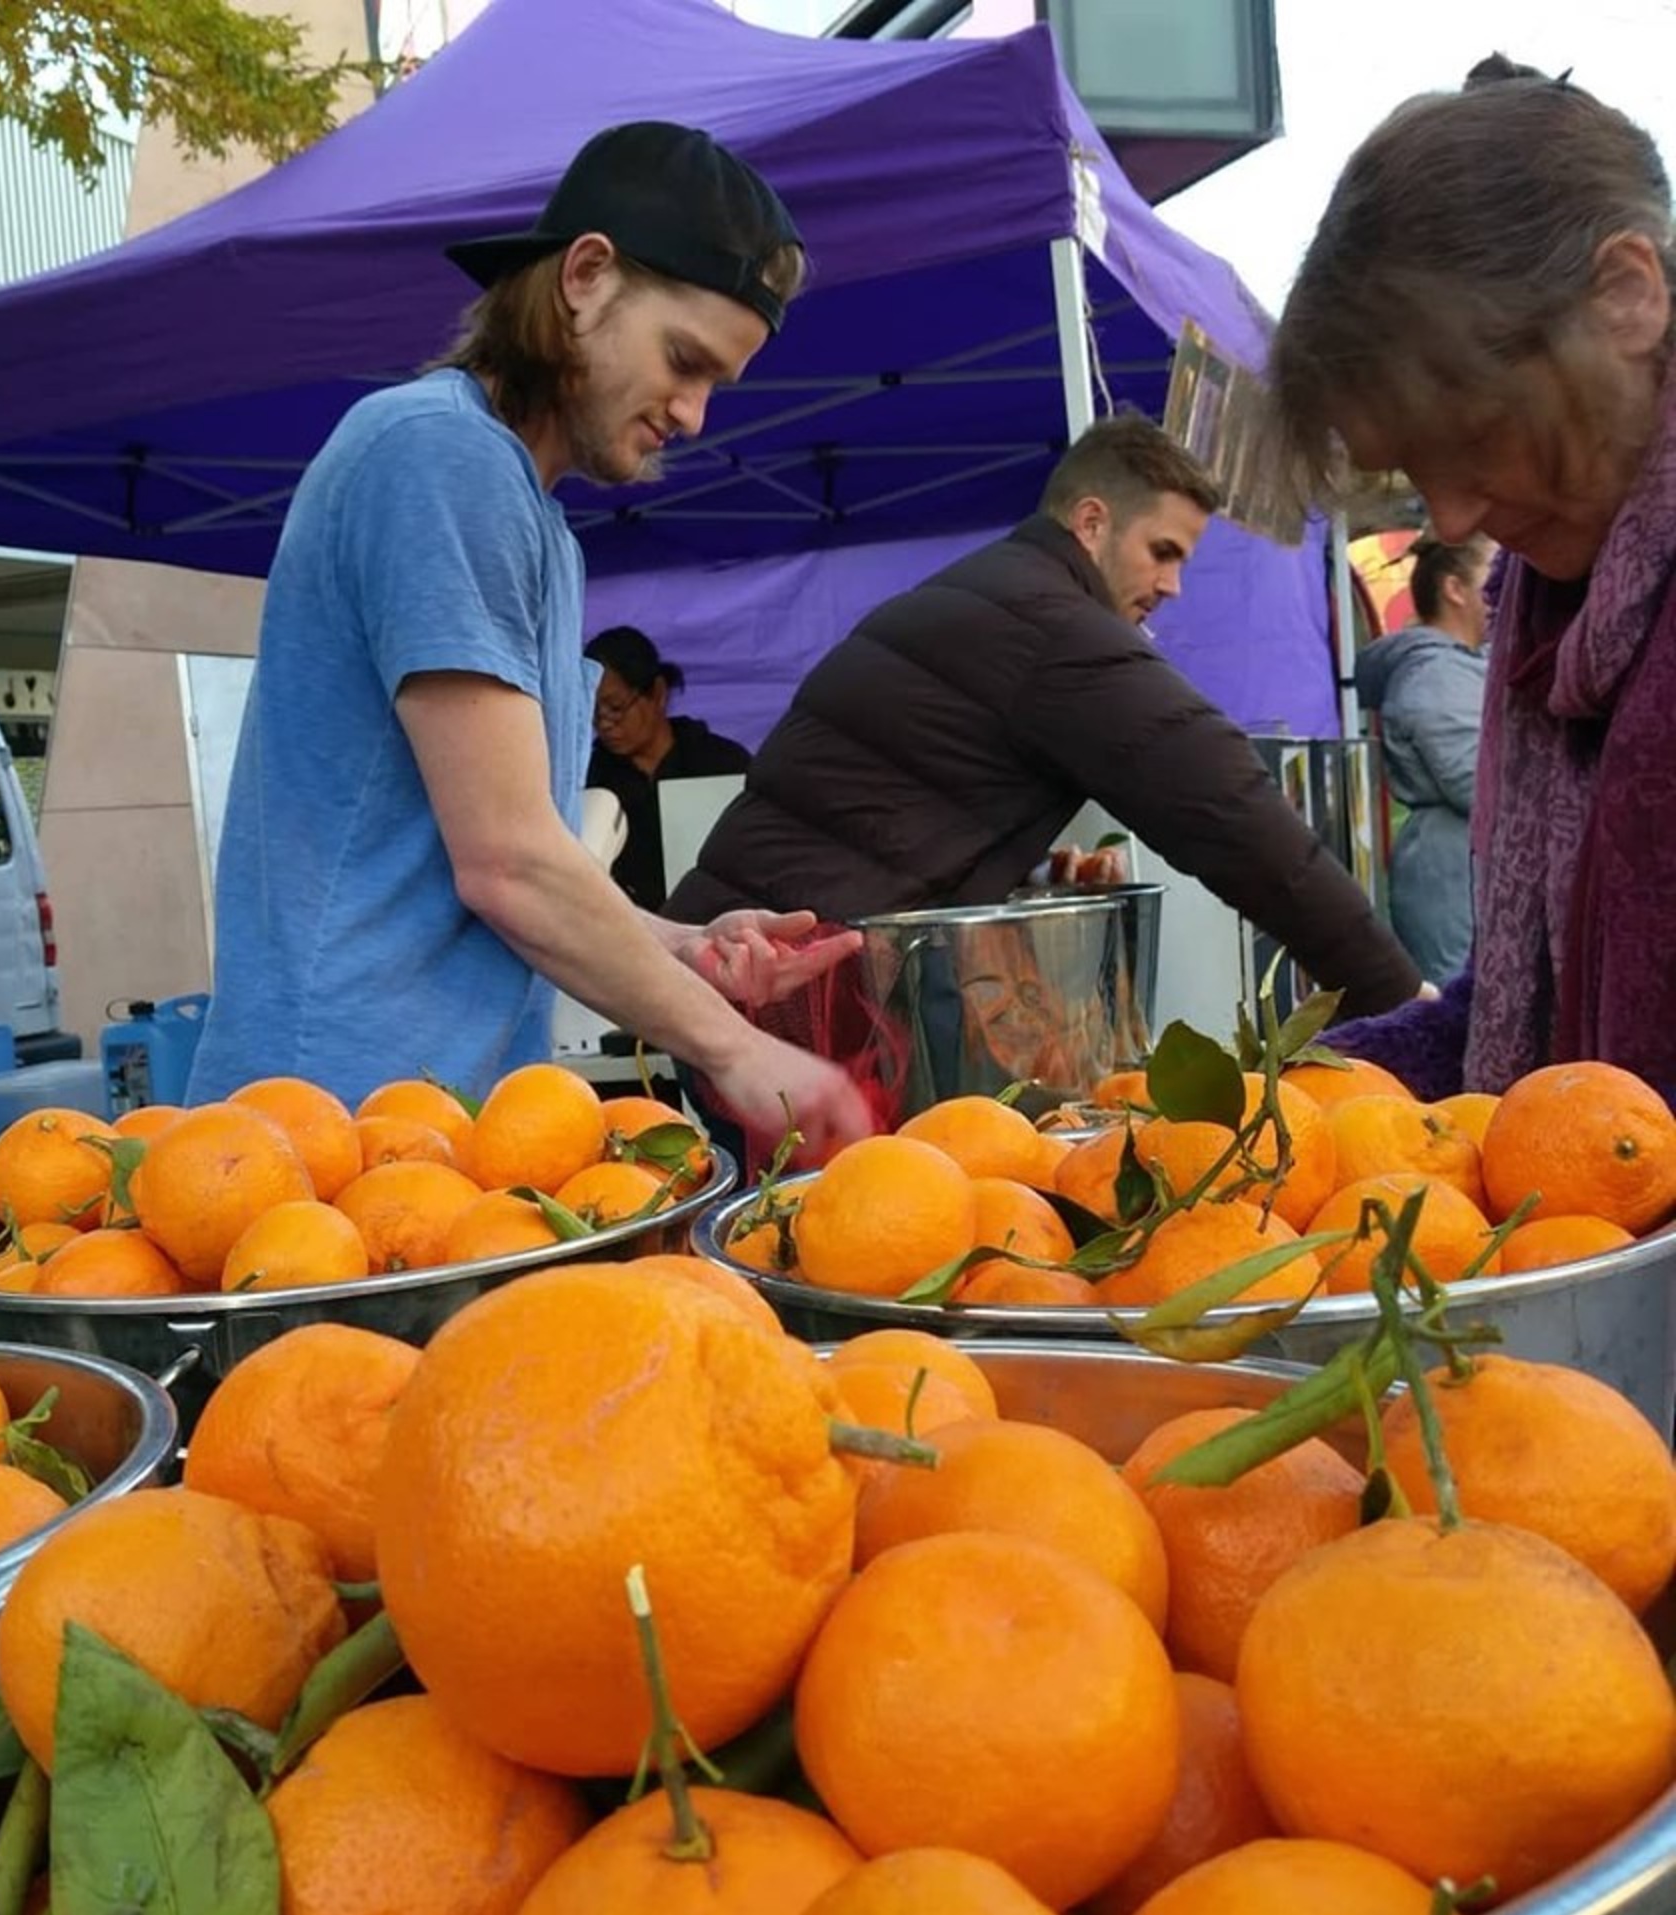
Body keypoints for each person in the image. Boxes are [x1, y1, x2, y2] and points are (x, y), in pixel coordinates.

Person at [186, 122, 871, 1156]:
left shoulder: (527, 510)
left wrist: (686, 947)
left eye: (716, 386)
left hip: (434, 1128)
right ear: (586, 275)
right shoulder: (439, 456)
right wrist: (734, 1047)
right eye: (684, 361)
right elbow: (506, 867)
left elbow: (505, 857)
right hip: (330, 1132)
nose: (692, 416)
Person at [667, 411, 1423, 1019]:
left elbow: (902, 799)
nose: (1173, 586)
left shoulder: (992, 589)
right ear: (1091, 522)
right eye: (1162, 551)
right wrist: (1388, 990)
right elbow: (1226, 806)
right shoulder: (1050, 626)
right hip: (795, 987)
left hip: (744, 962)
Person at [1263, 65, 1676, 1098]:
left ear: (1627, 297)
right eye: (1413, 467)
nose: (1446, 520)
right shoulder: (1548, 629)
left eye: (1476, 433)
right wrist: (1295, 1090)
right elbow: (1510, 1009)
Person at [1355, 533, 1494, 983]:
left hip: (1462, 868)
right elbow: (1478, 782)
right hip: (1452, 878)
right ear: (1455, 589)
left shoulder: (1459, 665)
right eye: (1493, 575)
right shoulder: (1434, 671)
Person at [583, 624, 751, 911]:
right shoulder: (590, 778)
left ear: (658, 693)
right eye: (593, 711)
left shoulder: (722, 763)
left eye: (615, 707)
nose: (604, 723)